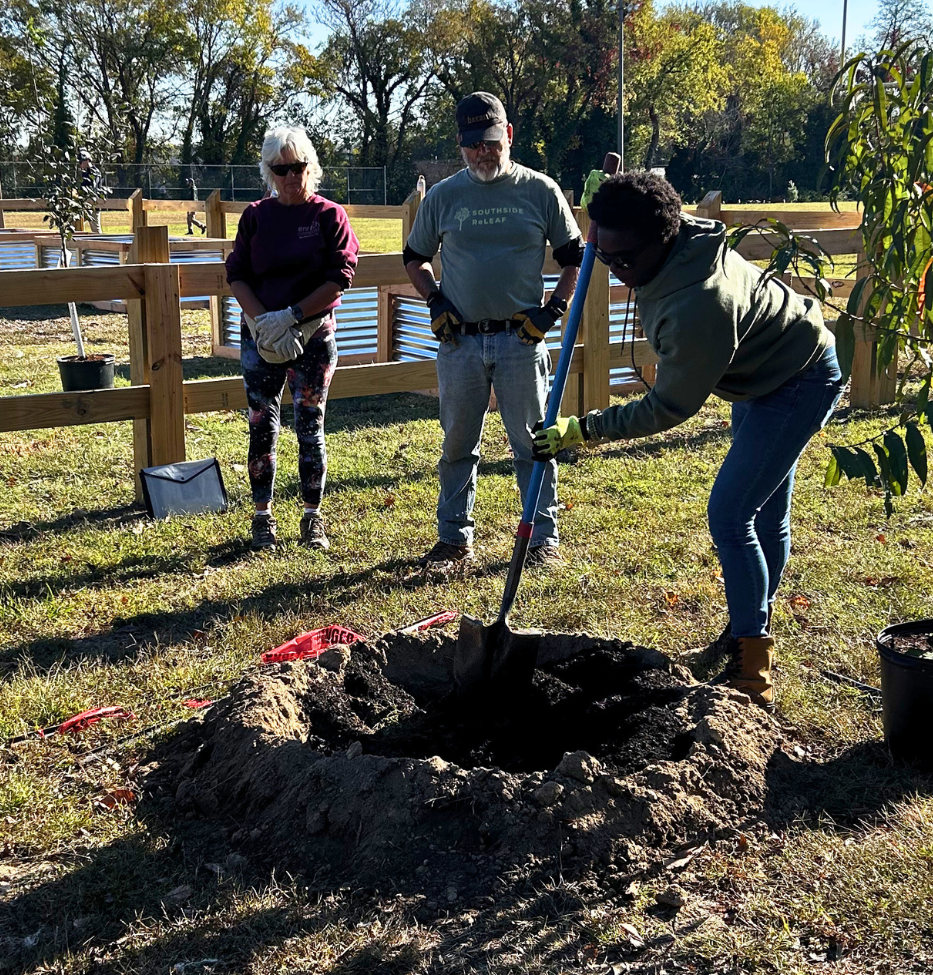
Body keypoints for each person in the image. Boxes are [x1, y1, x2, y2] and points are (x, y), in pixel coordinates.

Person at [533, 171, 843, 706]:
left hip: (798, 377)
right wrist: (603, 207)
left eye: (626, 259)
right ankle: (749, 622)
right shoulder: (663, 234)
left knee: (731, 514)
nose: (617, 270)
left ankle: (753, 662)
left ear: (662, 239)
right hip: (759, 369)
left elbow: (670, 406)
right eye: (605, 257)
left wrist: (584, 429)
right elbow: (647, 201)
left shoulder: (698, 303)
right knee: (762, 513)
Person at [402, 91, 584, 571]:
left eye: (490, 142)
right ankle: (454, 540)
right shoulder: (444, 197)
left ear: (508, 135)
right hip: (459, 340)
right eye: (472, 145)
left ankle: (542, 538)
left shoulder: (539, 190)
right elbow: (413, 257)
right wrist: (434, 299)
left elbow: (574, 258)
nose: (483, 152)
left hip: (521, 339)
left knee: (531, 442)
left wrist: (553, 310)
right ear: (461, 145)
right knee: (458, 443)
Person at [224, 123, 359, 552]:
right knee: (261, 424)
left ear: (310, 167)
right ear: (267, 172)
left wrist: (295, 316)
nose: (289, 176)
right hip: (261, 337)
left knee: (309, 425)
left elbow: (341, 276)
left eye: (297, 166)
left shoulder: (328, 216)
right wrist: (263, 320)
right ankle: (262, 516)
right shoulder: (255, 217)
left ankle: (311, 515)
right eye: (279, 169)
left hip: (313, 335)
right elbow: (237, 274)